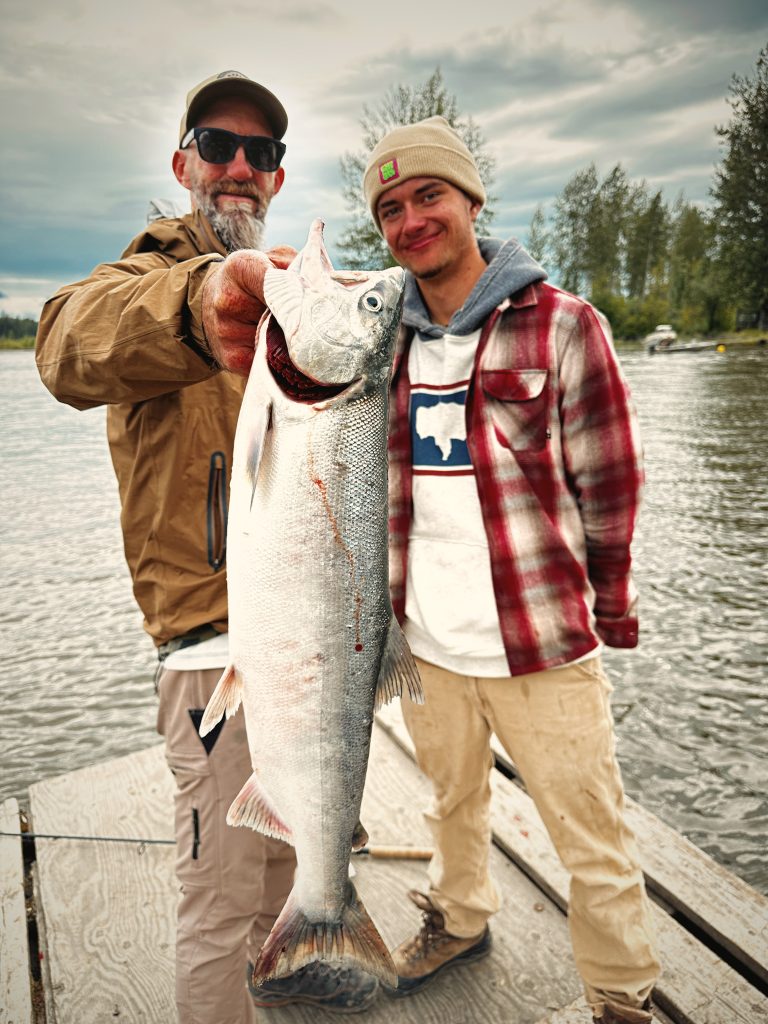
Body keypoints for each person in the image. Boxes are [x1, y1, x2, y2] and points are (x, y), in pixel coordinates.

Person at [35, 71, 377, 1023]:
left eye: (260, 153)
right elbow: (65, 347)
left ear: (277, 176)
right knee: (220, 898)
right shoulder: (140, 282)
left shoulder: (295, 302)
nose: (238, 166)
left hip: (315, 651)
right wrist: (199, 302)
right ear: (182, 163)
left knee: (287, 863)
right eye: (217, 146)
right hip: (210, 655)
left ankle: (300, 967)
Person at [361, 116, 661, 1024]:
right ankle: (459, 917)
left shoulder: (565, 324)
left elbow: (611, 481)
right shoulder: (383, 344)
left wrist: (607, 609)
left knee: (591, 834)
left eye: (428, 197)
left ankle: (619, 994)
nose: (411, 220)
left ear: (470, 200)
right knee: (453, 801)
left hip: (540, 641)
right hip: (429, 641)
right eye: (390, 208)